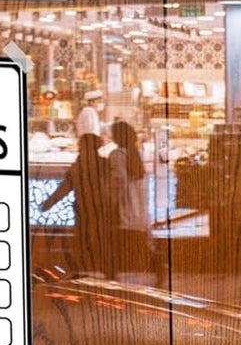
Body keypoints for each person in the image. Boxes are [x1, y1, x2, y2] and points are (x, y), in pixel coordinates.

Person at [40, 133, 112, 275]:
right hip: (101, 211)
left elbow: (64, 188)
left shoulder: (78, 166)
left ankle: (85, 272)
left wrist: (48, 203)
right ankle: (99, 271)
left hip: (83, 210)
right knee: (99, 243)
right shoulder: (104, 164)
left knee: (83, 243)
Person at [106, 119, 162, 283]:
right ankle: (159, 269)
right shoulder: (136, 155)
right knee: (144, 242)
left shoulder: (117, 155)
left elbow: (119, 183)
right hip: (140, 208)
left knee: (114, 242)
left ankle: (112, 275)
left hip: (125, 206)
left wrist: (111, 204)